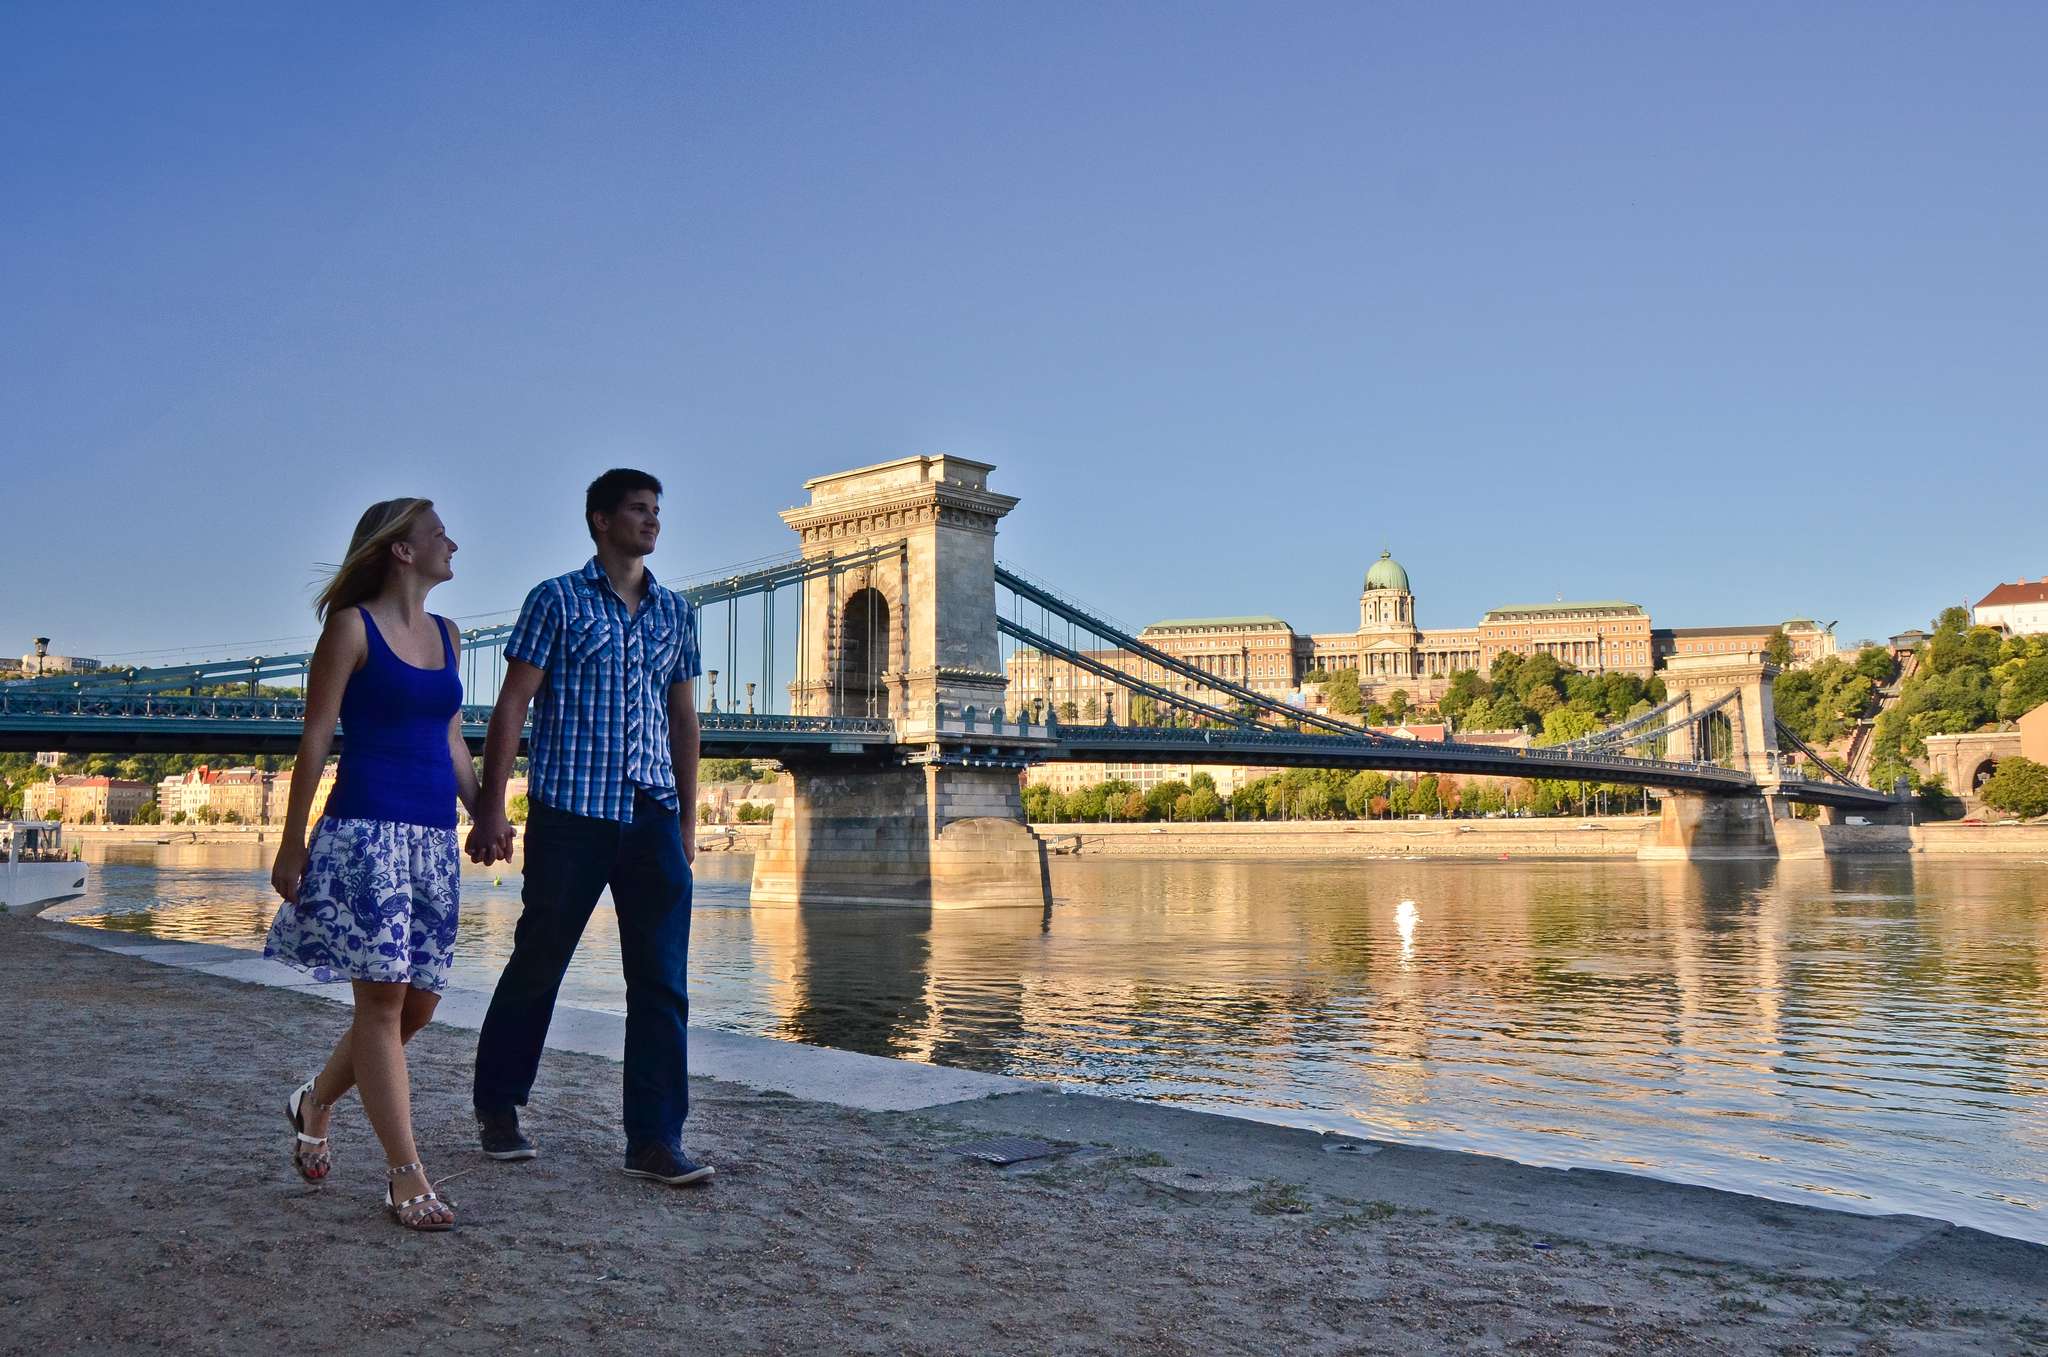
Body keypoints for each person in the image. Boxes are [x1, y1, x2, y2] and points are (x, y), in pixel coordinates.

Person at [466, 468, 707, 1186]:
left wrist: (688, 819)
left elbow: (684, 720)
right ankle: (499, 1106)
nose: (652, 520)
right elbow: (512, 706)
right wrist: (491, 803)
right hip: (571, 814)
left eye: (657, 509)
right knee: (539, 965)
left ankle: (655, 1138)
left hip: (653, 815)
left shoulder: (678, 613)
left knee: (662, 981)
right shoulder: (557, 601)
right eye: (638, 509)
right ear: (600, 521)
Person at [265, 497, 477, 1232]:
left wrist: (486, 810)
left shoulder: (450, 636)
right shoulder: (350, 628)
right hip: (364, 838)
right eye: (439, 533)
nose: (454, 541)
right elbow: (315, 738)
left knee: (417, 1006)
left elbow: (453, 741)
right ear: (402, 551)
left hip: (432, 842)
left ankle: (315, 1099)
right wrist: (293, 840)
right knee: (382, 1004)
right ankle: (404, 1174)